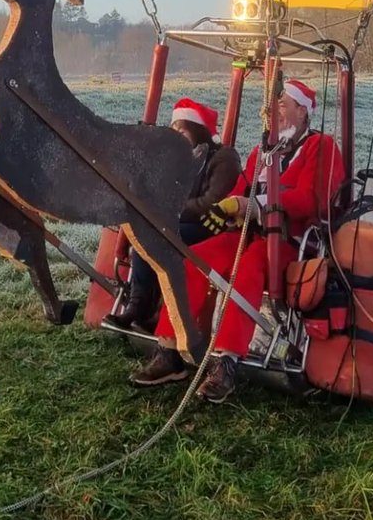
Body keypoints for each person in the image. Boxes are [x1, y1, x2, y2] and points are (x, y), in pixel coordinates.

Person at [131, 79, 345, 403]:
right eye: (272, 107)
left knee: (248, 269)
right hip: (249, 234)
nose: (274, 112)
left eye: (282, 105)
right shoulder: (263, 150)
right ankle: (170, 350)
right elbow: (241, 190)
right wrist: (225, 208)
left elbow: (313, 199)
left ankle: (227, 362)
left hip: (289, 242)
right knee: (191, 261)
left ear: (303, 112)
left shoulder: (321, 147)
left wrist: (257, 206)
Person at [112, 98, 240, 330]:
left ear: (198, 130)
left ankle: (149, 308)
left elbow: (212, 202)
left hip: (210, 225)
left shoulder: (224, 158)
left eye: (182, 130)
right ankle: (139, 303)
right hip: (179, 223)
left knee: (158, 236)